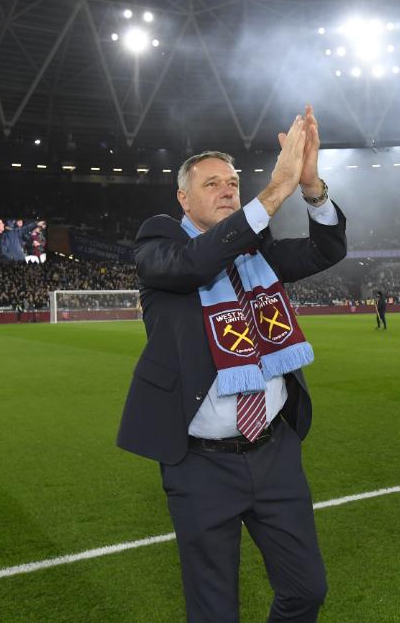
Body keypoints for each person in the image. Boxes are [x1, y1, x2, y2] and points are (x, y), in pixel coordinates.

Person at [118, 106, 345, 623]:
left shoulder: (255, 251)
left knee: (306, 590)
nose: (227, 189)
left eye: (235, 182)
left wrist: (310, 187)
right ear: (183, 198)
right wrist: (273, 192)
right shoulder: (159, 244)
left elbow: (325, 250)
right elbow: (197, 263)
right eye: (212, 183)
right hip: (200, 464)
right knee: (215, 612)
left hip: (273, 451)